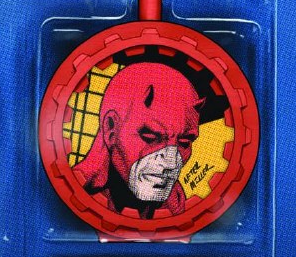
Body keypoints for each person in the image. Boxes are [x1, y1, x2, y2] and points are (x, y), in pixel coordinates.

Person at [73, 62, 203, 219]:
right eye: (151, 138)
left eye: (184, 143)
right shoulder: (71, 192)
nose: (171, 164)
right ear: (111, 129)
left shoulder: (176, 202)